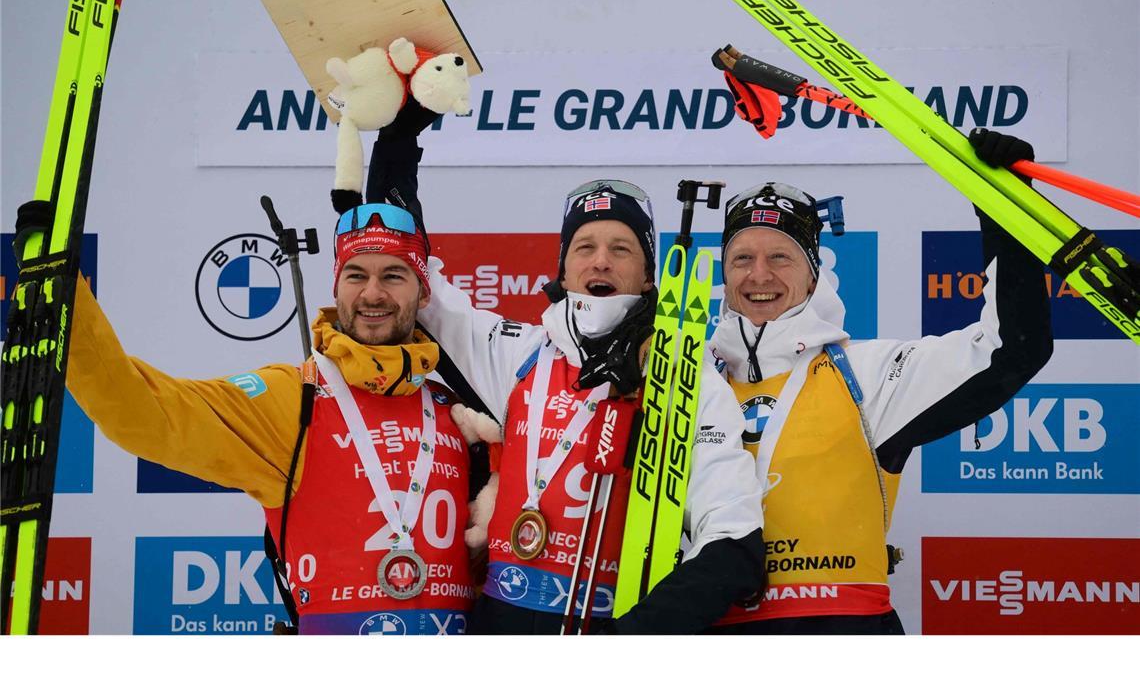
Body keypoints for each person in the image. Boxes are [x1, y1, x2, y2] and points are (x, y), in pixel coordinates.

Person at [358, 122, 769, 634]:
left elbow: (735, 541)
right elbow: (408, 269)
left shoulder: (684, 376)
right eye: (584, 247)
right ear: (564, 268)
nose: (600, 259)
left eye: (621, 248)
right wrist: (399, 139)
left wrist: (627, 643)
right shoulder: (520, 352)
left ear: (647, 276)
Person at [15, 200, 483, 635]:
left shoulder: (459, 411)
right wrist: (64, 292)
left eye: (394, 276)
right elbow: (146, 412)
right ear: (336, 286)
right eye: (356, 275)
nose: (372, 293)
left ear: (423, 292)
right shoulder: (294, 396)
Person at [706, 128, 1054, 634]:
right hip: (713, 631)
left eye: (781, 256)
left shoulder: (868, 374)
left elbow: (1009, 349)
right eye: (742, 258)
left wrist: (1003, 205)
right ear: (725, 274)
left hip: (841, 634)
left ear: (813, 275)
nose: (760, 274)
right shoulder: (687, 382)